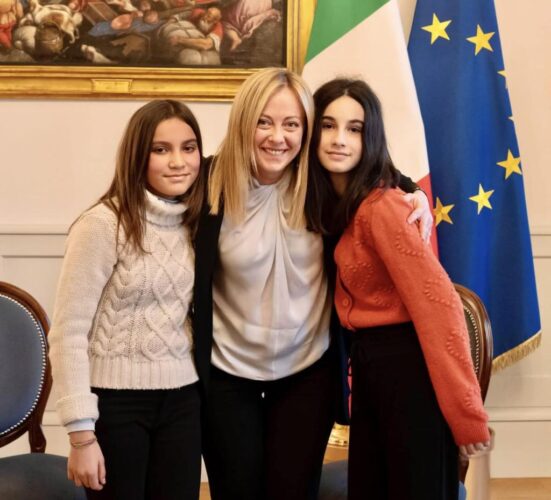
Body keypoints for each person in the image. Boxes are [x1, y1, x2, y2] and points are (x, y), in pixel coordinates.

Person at [192, 67, 433, 500]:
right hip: (226, 376)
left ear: (306, 130)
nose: (277, 137)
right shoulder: (206, 182)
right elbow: (148, 181)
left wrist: (414, 192)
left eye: (291, 124)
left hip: (307, 374)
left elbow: (374, 168)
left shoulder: (321, 181)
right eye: (264, 122)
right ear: (243, 121)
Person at [306, 77, 491, 499]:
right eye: (328, 125)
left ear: (370, 138)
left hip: (410, 370)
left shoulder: (383, 207)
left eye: (354, 129)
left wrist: (466, 415)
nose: (339, 139)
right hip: (371, 368)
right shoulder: (336, 205)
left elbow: (440, 307)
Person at [48, 99, 206, 500]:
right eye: (161, 149)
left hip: (183, 400)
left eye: (188, 148)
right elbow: (68, 333)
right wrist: (81, 435)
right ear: (137, 156)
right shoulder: (102, 224)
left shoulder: (195, 221)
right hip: (115, 405)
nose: (178, 162)